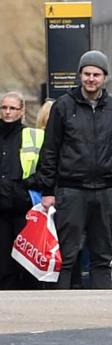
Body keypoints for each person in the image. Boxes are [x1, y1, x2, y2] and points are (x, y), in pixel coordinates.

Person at [37, 50, 112, 289]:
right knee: (66, 256)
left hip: (106, 191)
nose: (91, 79)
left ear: (105, 77)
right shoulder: (63, 106)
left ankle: (101, 312)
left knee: (103, 257)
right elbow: (50, 150)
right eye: (87, 73)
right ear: (79, 75)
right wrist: (48, 190)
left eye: (96, 74)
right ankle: (60, 310)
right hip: (71, 190)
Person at [0, 92, 43, 289]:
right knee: (3, 263)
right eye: (4, 107)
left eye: (12, 108)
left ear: (22, 111)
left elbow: (45, 169)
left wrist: (25, 186)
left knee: (26, 260)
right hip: (1, 208)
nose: (7, 112)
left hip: (24, 207)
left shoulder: (33, 136)